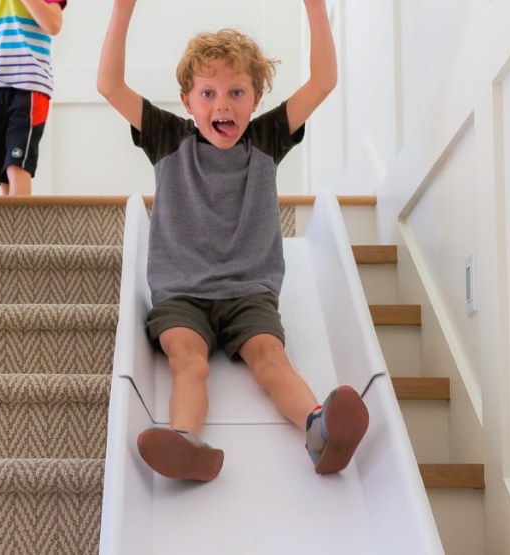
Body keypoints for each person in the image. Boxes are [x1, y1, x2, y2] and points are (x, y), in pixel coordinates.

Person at [97, 0, 369, 481]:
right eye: (208, 93)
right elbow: (109, 85)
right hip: (181, 293)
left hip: (249, 292)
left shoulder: (266, 139)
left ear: (257, 97)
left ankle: (318, 429)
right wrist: (123, 9)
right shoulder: (166, 137)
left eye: (237, 92)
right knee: (187, 360)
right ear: (187, 100)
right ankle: (186, 443)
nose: (222, 104)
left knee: (269, 357)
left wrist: (315, 8)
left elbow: (324, 81)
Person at [0, 0, 67, 196]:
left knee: (16, 165)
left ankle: (23, 225)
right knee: (4, 170)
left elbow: (53, 25)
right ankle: (13, 225)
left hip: (30, 86)